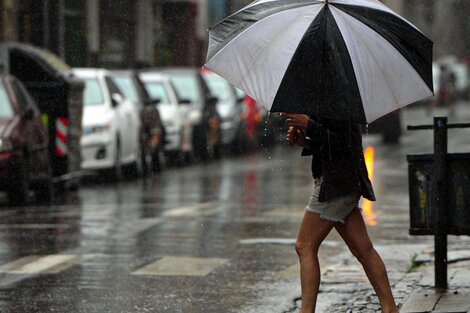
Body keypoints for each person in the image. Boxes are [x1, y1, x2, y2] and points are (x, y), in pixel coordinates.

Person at [281, 113, 399, 313]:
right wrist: (306, 142)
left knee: (305, 246)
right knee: (363, 249)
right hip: (342, 182)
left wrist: (309, 125)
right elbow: (330, 144)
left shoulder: (339, 101)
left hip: (336, 185)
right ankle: (390, 308)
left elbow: (344, 144)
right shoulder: (330, 98)